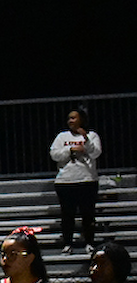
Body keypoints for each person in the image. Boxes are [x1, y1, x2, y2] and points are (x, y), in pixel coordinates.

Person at [51, 107, 102, 252]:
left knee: (88, 214)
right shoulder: (62, 137)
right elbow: (54, 154)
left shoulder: (92, 135)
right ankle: (68, 244)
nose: (70, 121)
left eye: (73, 118)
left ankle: (89, 243)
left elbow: (96, 153)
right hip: (66, 181)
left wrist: (85, 140)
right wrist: (70, 150)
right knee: (67, 215)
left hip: (87, 180)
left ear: (81, 119)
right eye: (69, 118)